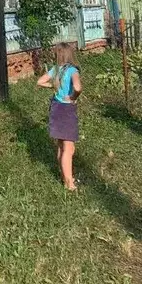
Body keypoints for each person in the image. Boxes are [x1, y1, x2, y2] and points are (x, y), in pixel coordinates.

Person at [37, 57, 82, 191]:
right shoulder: (73, 70)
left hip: (56, 107)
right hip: (66, 111)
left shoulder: (55, 69)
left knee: (61, 146)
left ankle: (65, 177)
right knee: (69, 149)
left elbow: (39, 81)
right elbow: (78, 87)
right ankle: (69, 184)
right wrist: (73, 97)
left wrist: (52, 85)